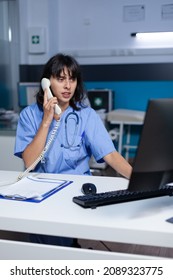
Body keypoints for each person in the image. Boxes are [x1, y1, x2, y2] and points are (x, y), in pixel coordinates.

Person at [14, 53, 132, 247]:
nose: (68, 86)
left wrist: (139, 181)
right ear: (47, 82)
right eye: (61, 79)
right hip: (42, 190)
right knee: (47, 246)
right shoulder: (29, 115)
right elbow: (29, 161)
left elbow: (110, 154)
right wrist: (46, 121)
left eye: (72, 79)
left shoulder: (86, 115)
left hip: (77, 189)